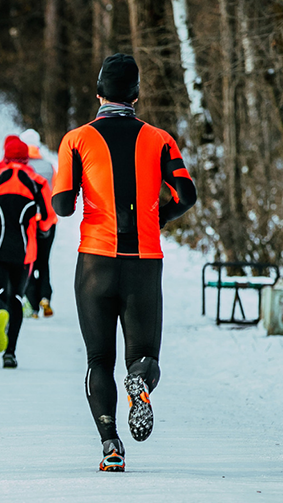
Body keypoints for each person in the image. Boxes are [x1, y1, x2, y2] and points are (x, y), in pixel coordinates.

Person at [52, 54, 197, 472]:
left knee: (99, 361)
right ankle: (140, 383)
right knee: (143, 356)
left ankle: (111, 443)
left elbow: (62, 205)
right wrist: (158, 216)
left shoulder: (76, 139)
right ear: (136, 94)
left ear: (98, 93)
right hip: (144, 263)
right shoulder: (161, 139)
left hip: (95, 263)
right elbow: (186, 195)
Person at [0, 136, 55, 369]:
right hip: (25, 252)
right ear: (27, 157)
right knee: (17, 298)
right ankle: (10, 353)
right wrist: (39, 228)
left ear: (5, 155)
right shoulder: (36, 181)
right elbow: (48, 217)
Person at [18, 128, 57, 319]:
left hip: (27, 222)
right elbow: (57, 193)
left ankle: (32, 304)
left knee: (28, 262)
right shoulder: (49, 167)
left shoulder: (21, 168)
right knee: (44, 261)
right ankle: (45, 297)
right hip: (49, 221)